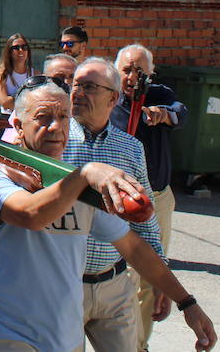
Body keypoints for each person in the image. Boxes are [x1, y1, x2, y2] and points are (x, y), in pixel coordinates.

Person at [0, 77, 216, 352]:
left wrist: (187, 302)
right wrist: (85, 174)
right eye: (43, 118)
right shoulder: (0, 172)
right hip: (11, 331)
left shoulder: (77, 182)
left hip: (65, 334)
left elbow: (132, 247)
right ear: (19, 126)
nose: (56, 127)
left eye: (63, 116)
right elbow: (31, 215)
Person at [65, 57, 164, 352]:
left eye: (89, 87)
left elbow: (145, 219)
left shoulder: (130, 148)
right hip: (64, 287)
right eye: (75, 85)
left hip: (115, 285)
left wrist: (160, 278)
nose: (78, 92)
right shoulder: (55, 140)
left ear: (114, 98)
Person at [113, 44, 189, 352]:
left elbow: (180, 112)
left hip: (155, 198)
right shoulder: (108, 98)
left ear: (151, 72)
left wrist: (164, 115)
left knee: (149, 272)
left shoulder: (159, 94)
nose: (133, 77)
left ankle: (138, 344)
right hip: (114, 200)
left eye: (140, 71)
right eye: (127, 70)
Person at [0, 32, 33, 113]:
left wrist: (13, 99)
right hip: (7, 120)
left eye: (24, 47)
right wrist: (29, 100)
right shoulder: (2, 74)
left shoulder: (35, 74)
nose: (21, 50)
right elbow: (5, 103)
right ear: (9, 51)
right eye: (16, 48)